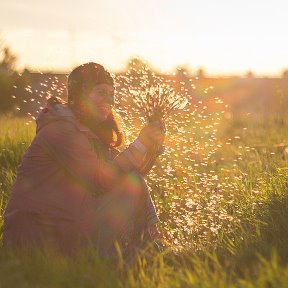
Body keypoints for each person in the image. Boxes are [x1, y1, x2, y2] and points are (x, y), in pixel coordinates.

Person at [3, 62, 166, 261]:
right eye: (100, 93)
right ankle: (123, 256)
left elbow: (120, 172)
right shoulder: (61, 130)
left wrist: (150, 149)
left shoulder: (88, 129)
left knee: (133, 181)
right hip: (35, 237)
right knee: (130, 183)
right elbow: (100, 180)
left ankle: (148, 248)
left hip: (61, 224)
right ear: (80, 95)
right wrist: (140, 144)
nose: (108, 100)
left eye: (111, 95)